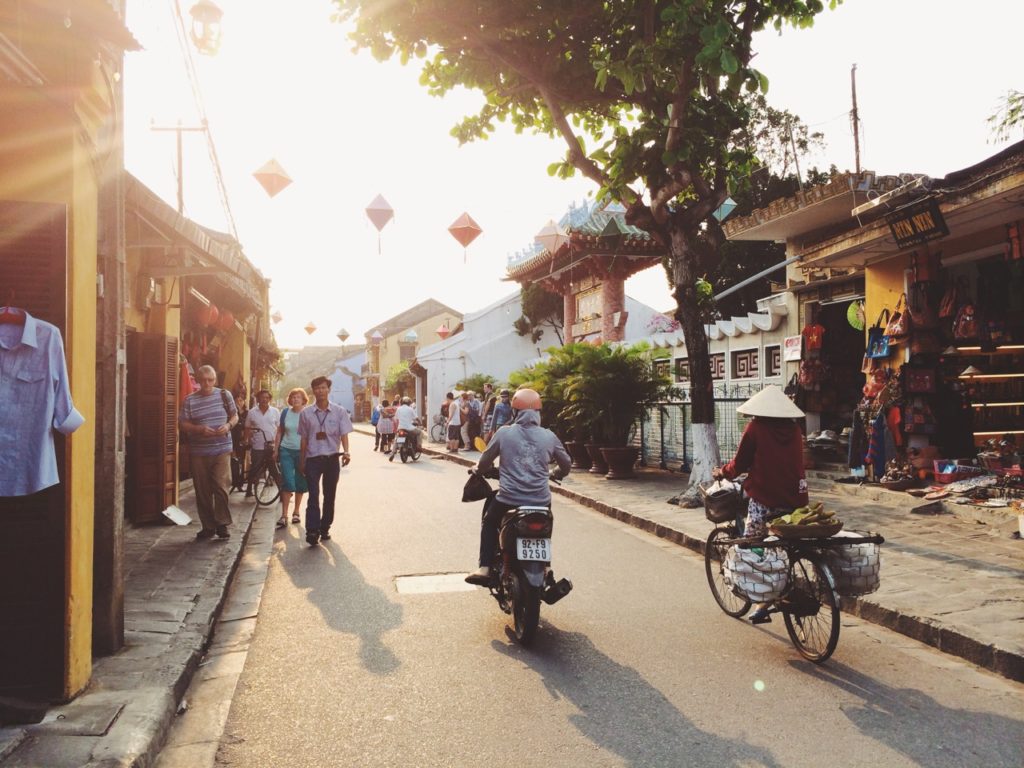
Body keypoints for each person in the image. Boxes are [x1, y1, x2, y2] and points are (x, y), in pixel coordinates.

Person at [713, 384, 808, 624]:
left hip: (765, 499)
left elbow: (740, 464)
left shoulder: (755, 428)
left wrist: (723, 472)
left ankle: (761, 599)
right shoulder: (795, 430)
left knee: (751, 546)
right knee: (784, 547)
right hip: (796, 500)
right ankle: (777, 591)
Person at [465, 388, 572, 585]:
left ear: (514, 412)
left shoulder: (504, 433)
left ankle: (485, 568)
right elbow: (566, 464)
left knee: (489, 522)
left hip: (509, 499)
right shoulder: (549, 436)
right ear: (538, 413)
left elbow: (486, 460)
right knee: (545, 527)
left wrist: (478, 471)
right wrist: (556, 473)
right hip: (541, 500)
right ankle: (546, 567)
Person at [179, 365, 238, 540]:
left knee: (221, 487)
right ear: (197, 380)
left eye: (210, 380)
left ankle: (222, 524)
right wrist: (198, 429)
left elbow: (235, 416)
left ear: (215, 380)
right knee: (202, 490)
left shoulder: (223, 395)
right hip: (199, 451)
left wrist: (228, 425)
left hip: (222, 449)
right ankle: (208, 526)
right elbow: (182, 424)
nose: (207, 383)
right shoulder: (190, 400)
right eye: (203, 380)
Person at [298, 376, 353, 546]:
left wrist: (347, 452)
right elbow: (304, 440)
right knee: (313, 495)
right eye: (317, 388)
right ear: (313, 391)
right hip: (313, 459)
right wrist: (302, 461)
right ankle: (312, 530)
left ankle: (325, 527)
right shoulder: (305, 413)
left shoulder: (339, 412)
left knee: (329, 496)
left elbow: (344, 434)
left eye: (323, 387)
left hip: (331, 459)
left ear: (328, 389)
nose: (320, 391)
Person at [274, 387, 309, 529]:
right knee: (287, 481)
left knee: (300, 481)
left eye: (298, 397)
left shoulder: (307, 414)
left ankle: (296, 512)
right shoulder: (285, 413)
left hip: (302, 451)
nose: (295, 399)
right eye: (293, 397)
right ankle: (284, 515)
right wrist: (275, 449)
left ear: (303, 400)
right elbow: (279, 432)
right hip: (286, 450)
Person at [243, 389, 281, 498]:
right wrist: (246, 440)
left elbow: (279, 429)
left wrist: (277, 445)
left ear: (269, 399)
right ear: (258, 399)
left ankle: (281, 493)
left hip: (271, 446)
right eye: (262, 397)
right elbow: (247, 428)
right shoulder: (252, 412)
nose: (264, 400)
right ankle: (249, 489)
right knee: (255, 468)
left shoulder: (275, 411)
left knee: (274, 470)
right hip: (257, 445)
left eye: (267, 398)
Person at [390, 395, 421, 461]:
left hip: (400, 428)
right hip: (409, 428)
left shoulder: (399, 409)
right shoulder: (410, 409)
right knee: (419, 432)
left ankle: (392, 454)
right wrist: (420, 423)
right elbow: (416, 418)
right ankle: (418, 446)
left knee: (396, 439)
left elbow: (396, 418)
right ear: (409, 403)